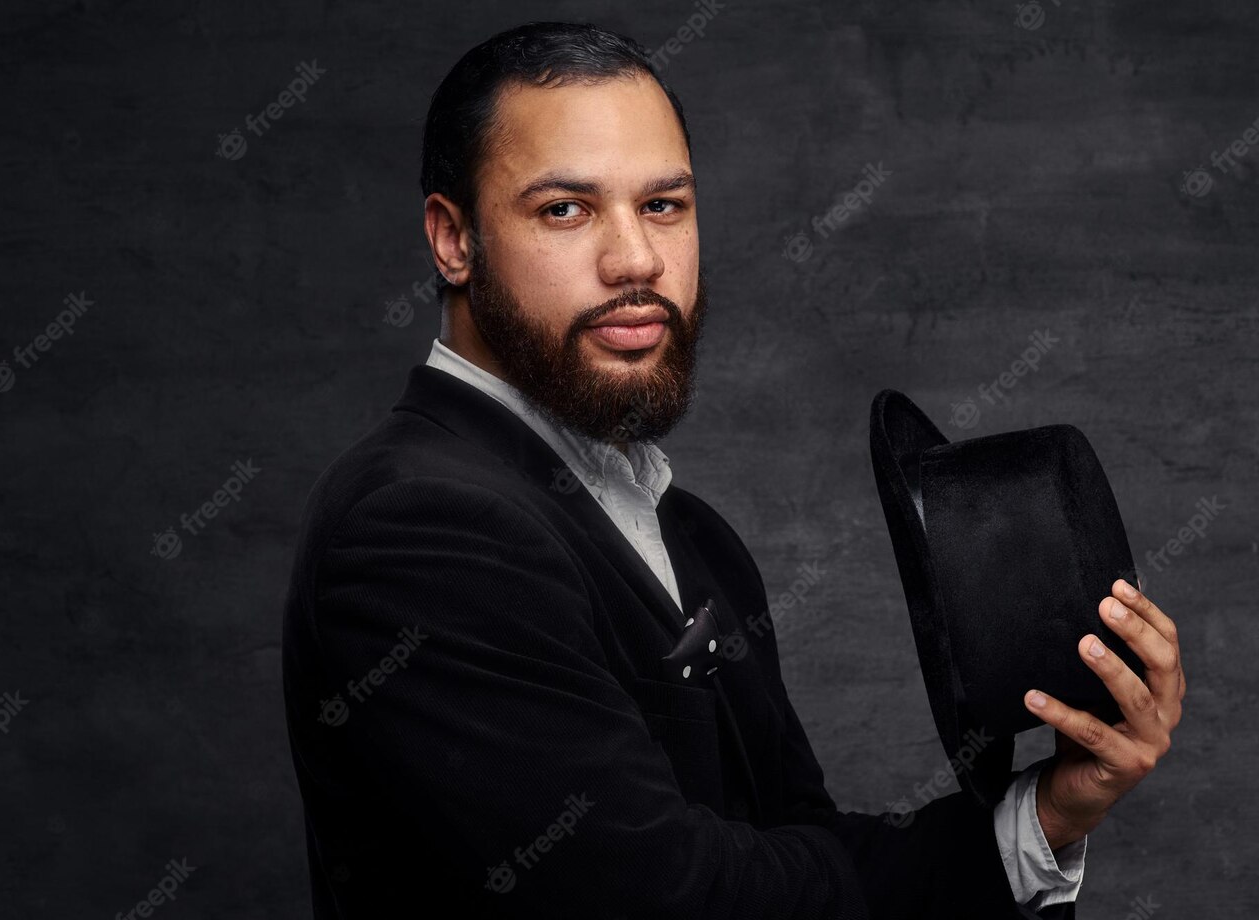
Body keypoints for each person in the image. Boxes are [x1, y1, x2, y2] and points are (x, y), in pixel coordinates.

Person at [281, 21, 1184, 918]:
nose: (635, 260)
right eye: (566, 209)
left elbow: (792, 850)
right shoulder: (416, 526)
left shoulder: (695, 537)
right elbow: (664, 900)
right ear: (453, 240)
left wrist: (1051, 812)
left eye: (663, 205)